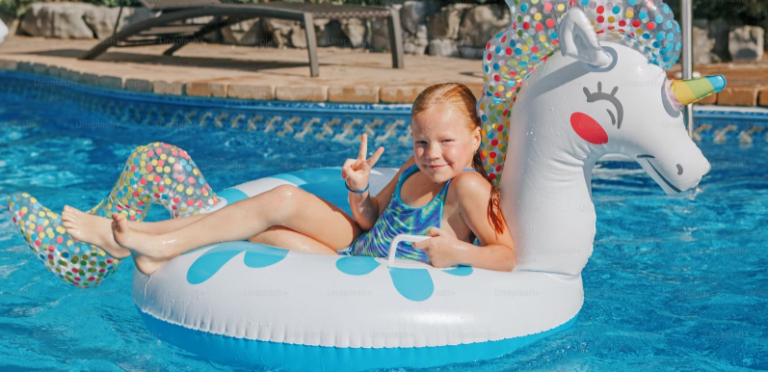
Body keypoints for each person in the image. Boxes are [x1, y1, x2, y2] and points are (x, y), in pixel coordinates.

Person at [61, 83, 516, 274]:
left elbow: (507, 256)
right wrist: (359, 190)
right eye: (421, 142)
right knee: (279, 199)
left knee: (267, 229)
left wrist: (458, 252)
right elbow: (370, 217)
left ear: (476, 139)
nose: (432, 154)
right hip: (358, 245)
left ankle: (142, 243)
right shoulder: (411, 169)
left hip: (375, 272)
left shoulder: (467, 187)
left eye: (446, 142)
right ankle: (143, 241)